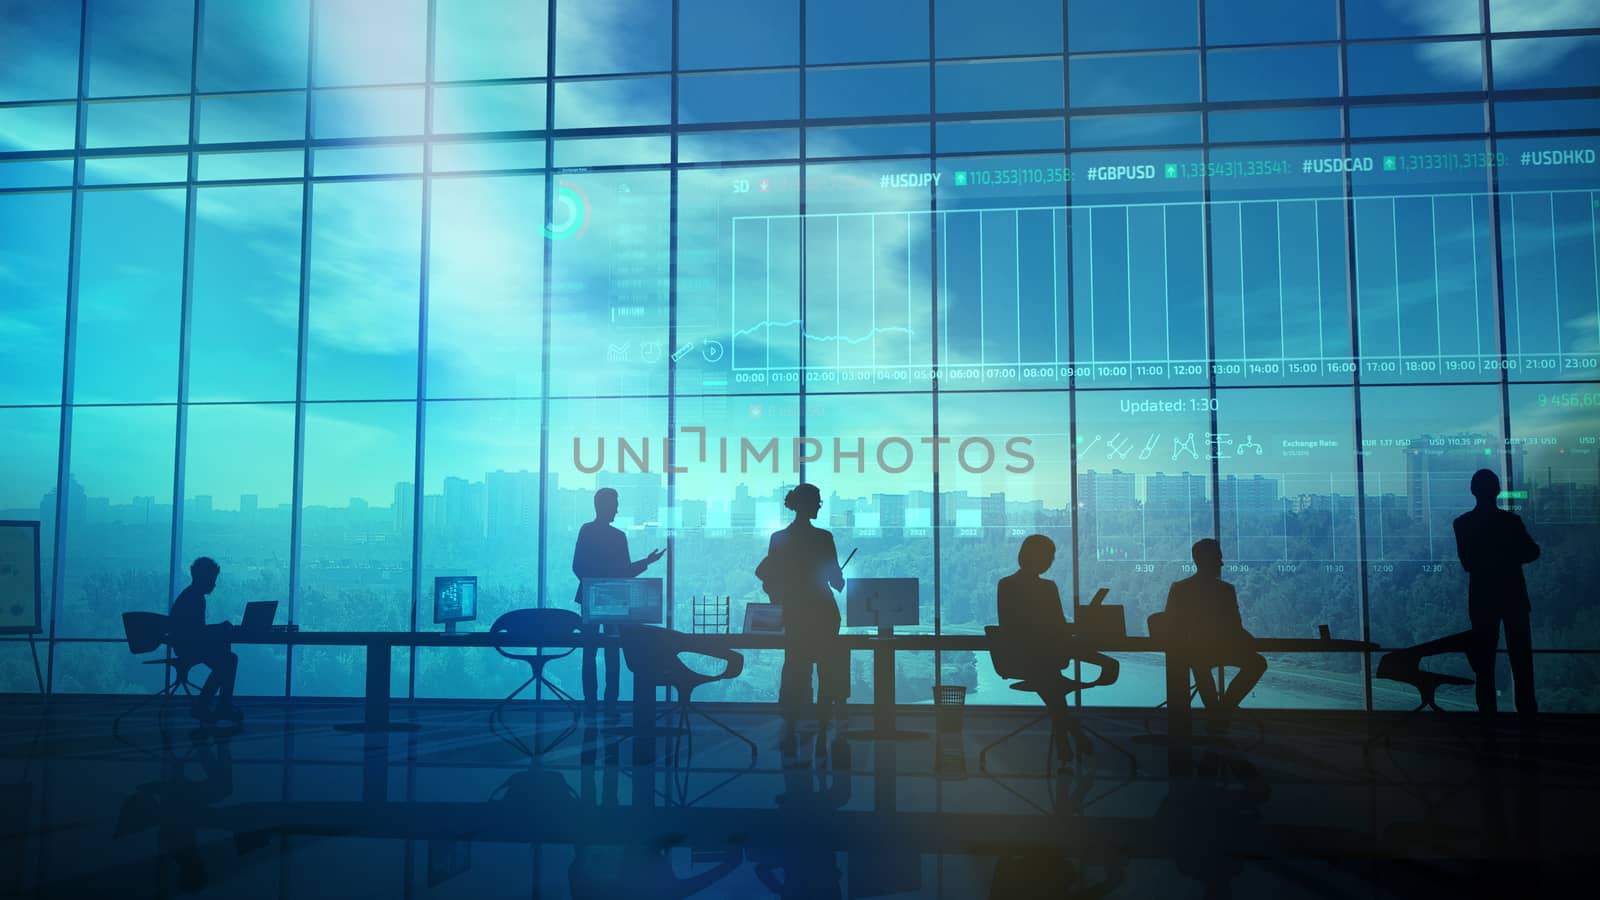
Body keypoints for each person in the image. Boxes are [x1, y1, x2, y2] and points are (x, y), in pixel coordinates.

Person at [995, 535, 1119, 762]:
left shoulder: (1006, 585)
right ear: (1039, 558)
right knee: (1050, 678)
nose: (1051, 561)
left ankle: (1068, 736)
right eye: (1049, 556)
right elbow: (1058, 626)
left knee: (1049, 680)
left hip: (1024, 658)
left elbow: (1012, 626)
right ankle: (1067, 736)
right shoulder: (1046, 587)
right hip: (1044, 656)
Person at [755, 484, 846, 756]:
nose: (820, 506)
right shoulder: (823, 538)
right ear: (807, 504)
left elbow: (769, 574)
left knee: (796, 668)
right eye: (817, 501)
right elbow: (836, 582)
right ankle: (823, 725)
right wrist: (838, 575)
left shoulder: (779, 538)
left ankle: (792, 724)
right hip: (823, 612)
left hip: (795, 613)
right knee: (827, 669)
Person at [1452, 468, 1540, 725]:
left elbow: (1468, 563)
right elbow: (1532, 552)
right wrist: (1508, 558)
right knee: (1522, 664)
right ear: (1498, 491)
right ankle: (1527, 720)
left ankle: (1488, 722)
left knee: (1484, 665)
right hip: (1513, 596)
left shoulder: (1463, 524)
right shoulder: (1511, 523)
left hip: (1481, 599)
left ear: (1473, 491)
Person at [572, 487, 664, 710]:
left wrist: (595, 585)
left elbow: (578, 566)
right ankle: (610, 704)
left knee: (590, 652)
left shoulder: (587, 531)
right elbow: (625, 572)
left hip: (594, 600)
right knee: (612, 652)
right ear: (604, 506)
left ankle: (591, 705)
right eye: (614, 505)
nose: (617, 509)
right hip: (612, 602)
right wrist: (646, 563)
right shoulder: (618, 537)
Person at [1159, 539, 1266, 726]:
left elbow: (1171, 625)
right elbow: (1235, 628)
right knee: (1257, 664)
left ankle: (1217, 713)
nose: (1221, 563)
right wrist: (1251, 641)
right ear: (1208, 560)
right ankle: (1223, 710)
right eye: (1218, 558)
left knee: (1199, 664)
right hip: (1218, 650)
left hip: (1192, 653)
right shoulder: (1226, 590)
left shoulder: (1180, 589)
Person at [168, 557, 241, 724]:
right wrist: (220, 628)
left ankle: (213, 704)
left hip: (184, 645)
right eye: (212, 580)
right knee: (229, 660)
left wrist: (217, 630)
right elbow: (197, 632)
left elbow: (195, 631)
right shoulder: (196, 599)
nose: (214, 584)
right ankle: (216, 705)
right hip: (188, 648)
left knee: (225, 657)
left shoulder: (189, 595)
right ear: (204, 578)